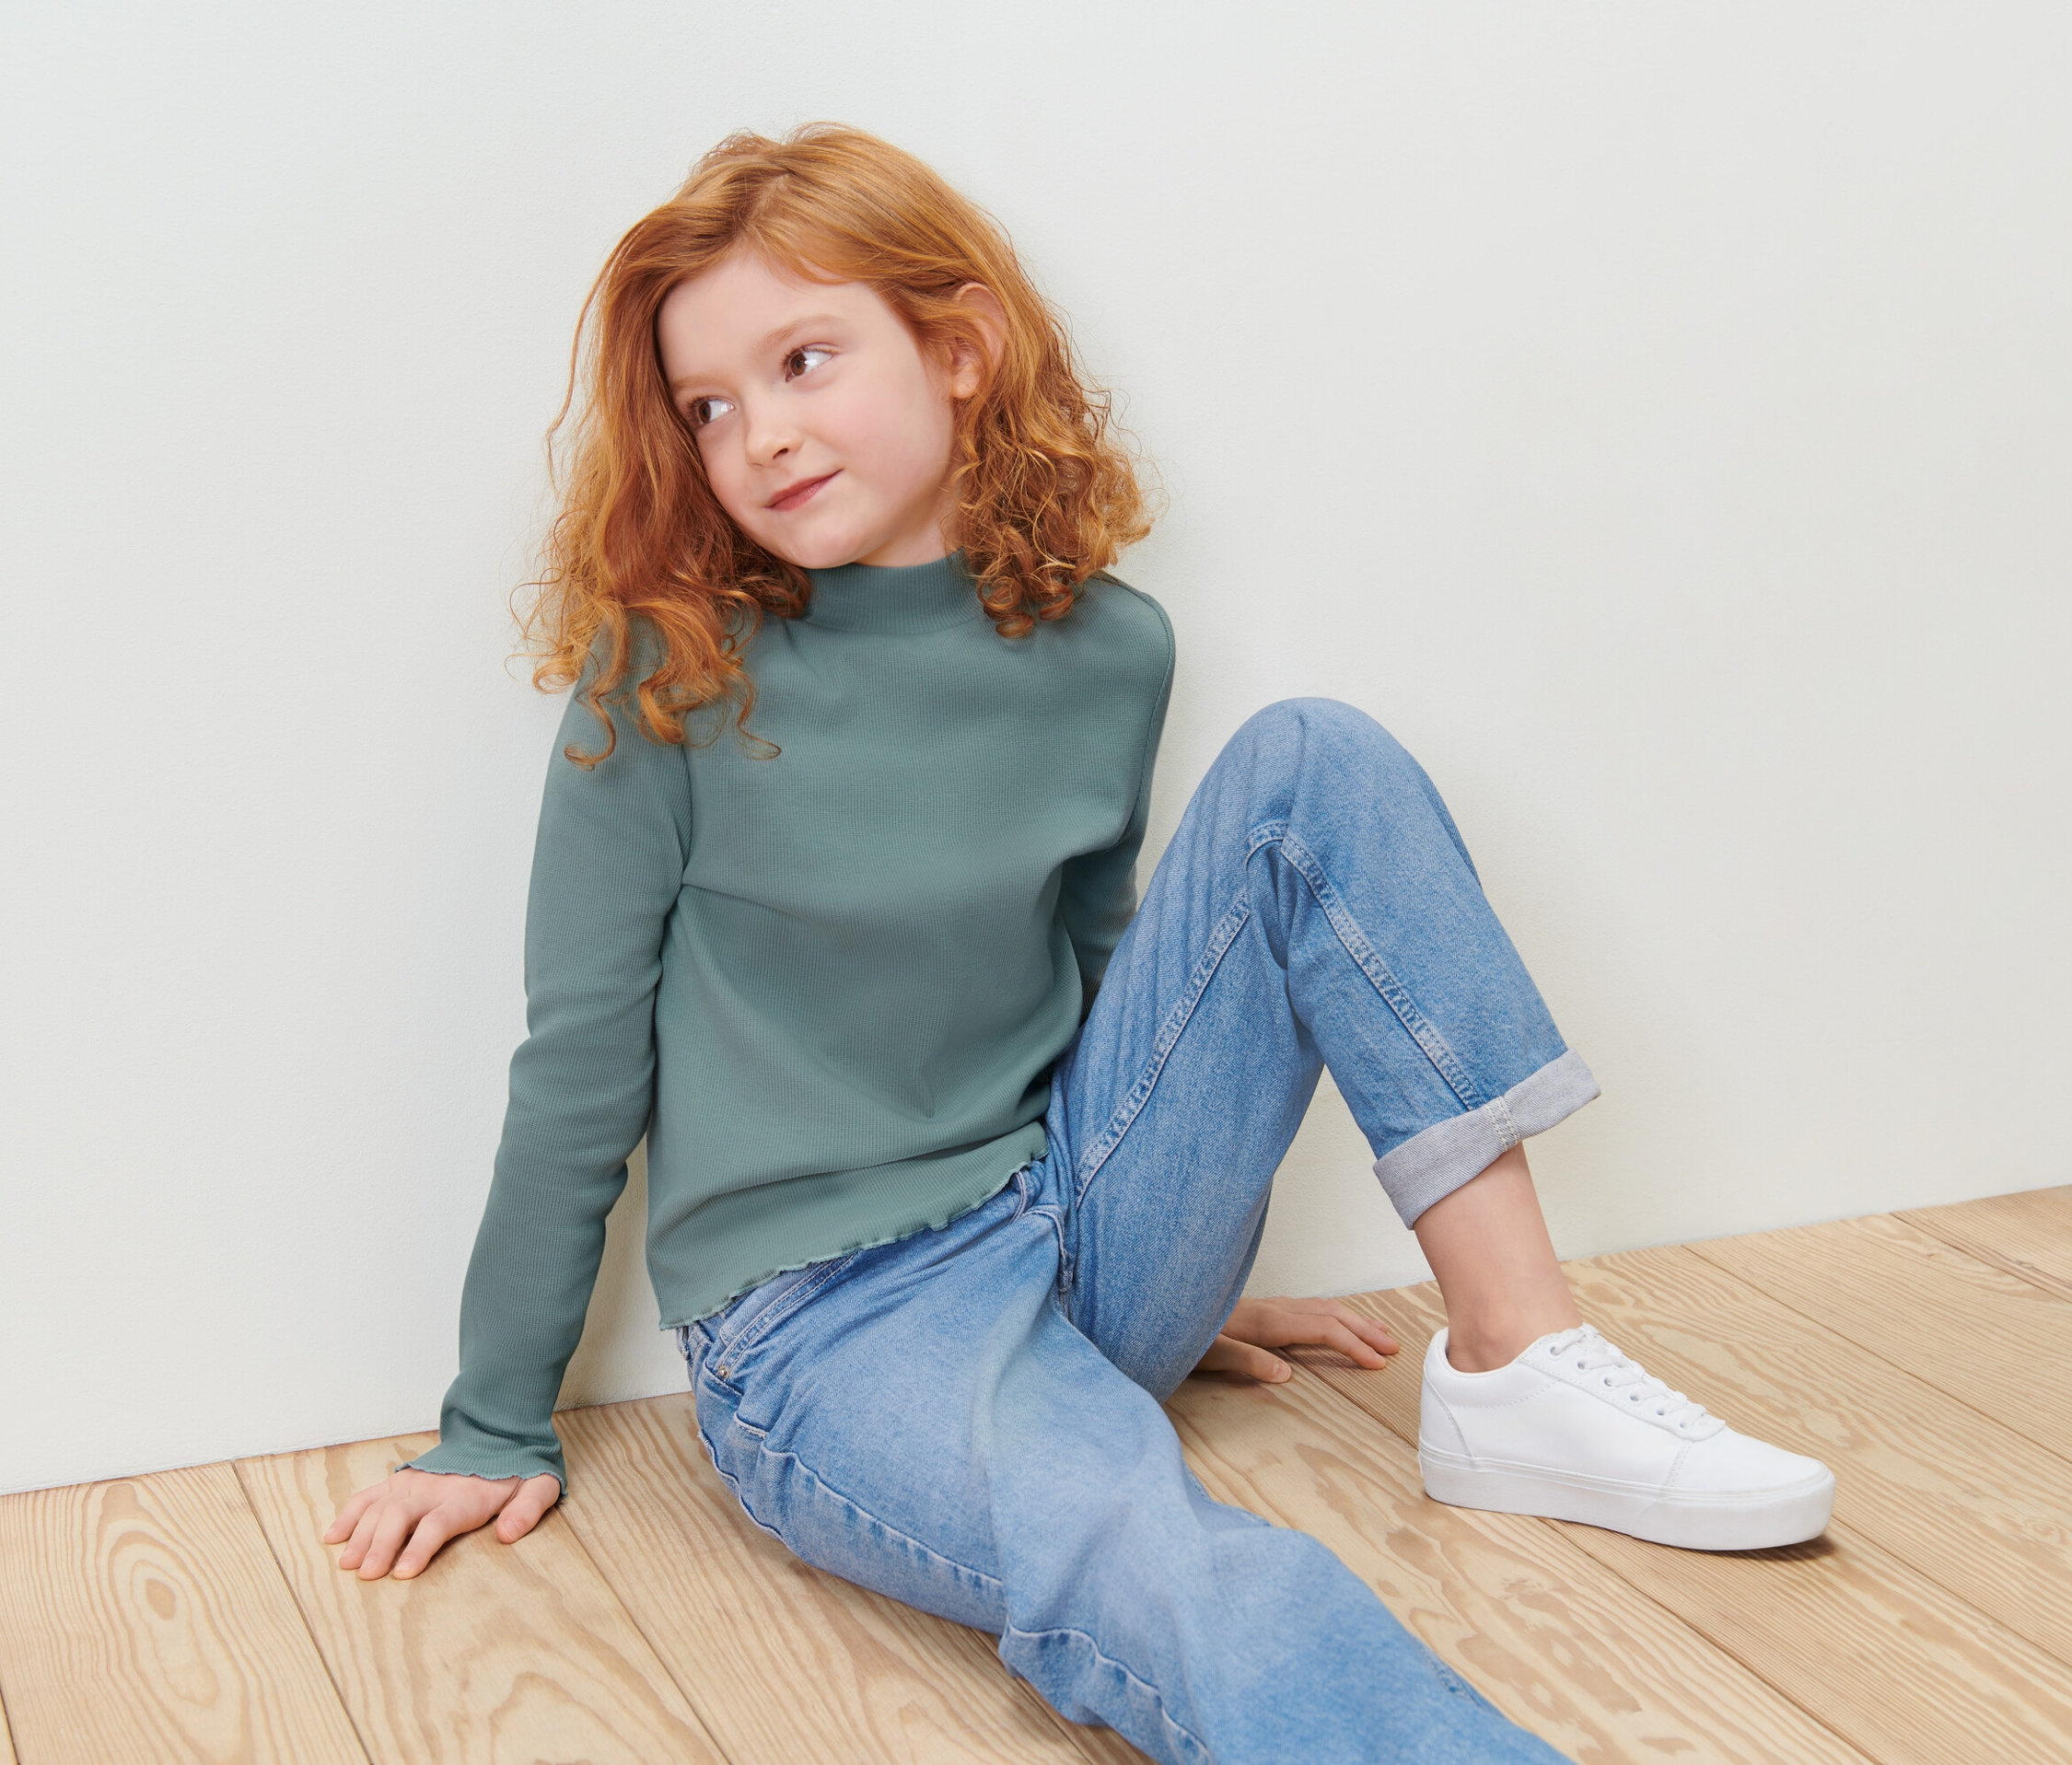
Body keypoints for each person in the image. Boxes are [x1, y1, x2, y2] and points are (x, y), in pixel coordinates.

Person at [324, 124, 1833, 1764]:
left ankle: (1519, 1365)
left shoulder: (1108, 647)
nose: (756, 433)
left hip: (1071, 1224)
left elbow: (1117, 989)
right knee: (1164, 1557)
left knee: (1311, 761)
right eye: (707, 406)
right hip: (833, 1325)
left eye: (802, 360)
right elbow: (577, 1067)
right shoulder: (666, 683)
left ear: (957, 349)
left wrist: (1192, 1259)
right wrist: (492, 1417)